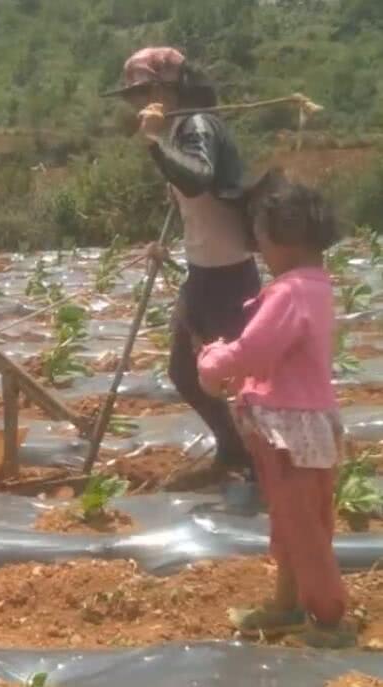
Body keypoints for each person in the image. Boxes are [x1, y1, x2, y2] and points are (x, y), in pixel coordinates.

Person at [197, 172, 355, 649]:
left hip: (288, 429)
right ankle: (286, 606)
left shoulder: (287, 293)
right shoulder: (317, 285)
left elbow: (253, 351)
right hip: (308, 426)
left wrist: (212, 362)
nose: (260, 250)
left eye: (261, 239)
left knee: (301, 527)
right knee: (297, 520)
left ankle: (328, 621)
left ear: (283, 239)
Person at [104, 46, 260, 489]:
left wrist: (153, 142)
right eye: (133, 95)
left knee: (244, 381)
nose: (138, 103)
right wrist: (166, 244)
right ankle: (234, 450)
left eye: (144, 91)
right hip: (204, 271)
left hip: (228, 275)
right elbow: (192, 204)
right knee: (185, 373)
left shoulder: (197, 125)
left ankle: (264, 468)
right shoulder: (181, 128)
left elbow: (198, 178)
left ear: (171, 88)